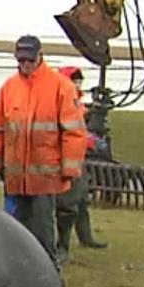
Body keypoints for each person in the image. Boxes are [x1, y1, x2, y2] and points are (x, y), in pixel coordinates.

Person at [0, 35, 87, 273]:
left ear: (40, 56)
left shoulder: (61, 87)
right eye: (21, 60)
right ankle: (15, 277)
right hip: (15, 180)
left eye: (30, 59)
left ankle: (50, 277)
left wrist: (69, 170)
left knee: (43, 235)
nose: (25, 64)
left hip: (45, 180)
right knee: (13, 233)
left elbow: (74, 132)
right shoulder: (9, 88)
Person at [55, 66, 108, 260]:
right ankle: (62, 246)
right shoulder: (62, 100)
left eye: (79, 80)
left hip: (78, 158)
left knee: (82, 199)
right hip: (63, 160)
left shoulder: (78, 103)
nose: (77, 84)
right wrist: (90, 139)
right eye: (74, 80)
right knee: (66, 204)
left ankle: (85, 237)